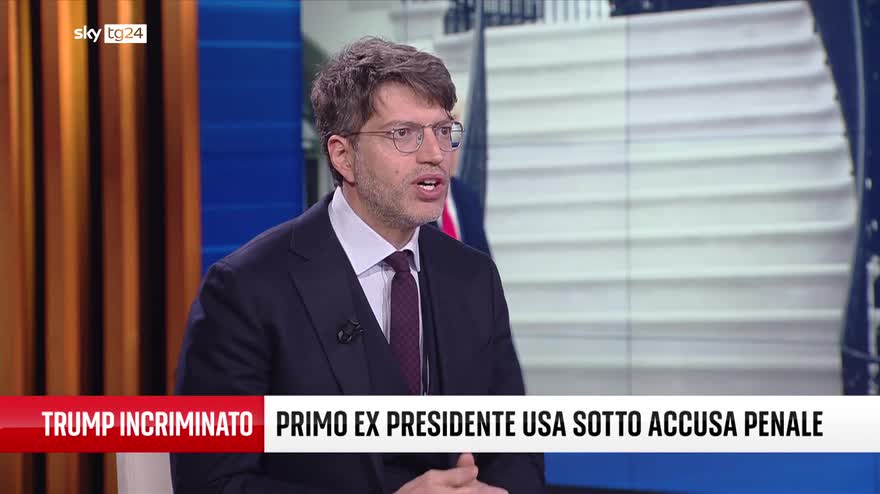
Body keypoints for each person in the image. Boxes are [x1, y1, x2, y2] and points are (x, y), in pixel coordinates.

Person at [171, 37, 544, 493]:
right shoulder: (246, 289)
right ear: (342, 155)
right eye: (403, 134)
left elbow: (517, 449)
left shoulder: (473, 277)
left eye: (443, 130)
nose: (435, 154)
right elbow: (214, 483)